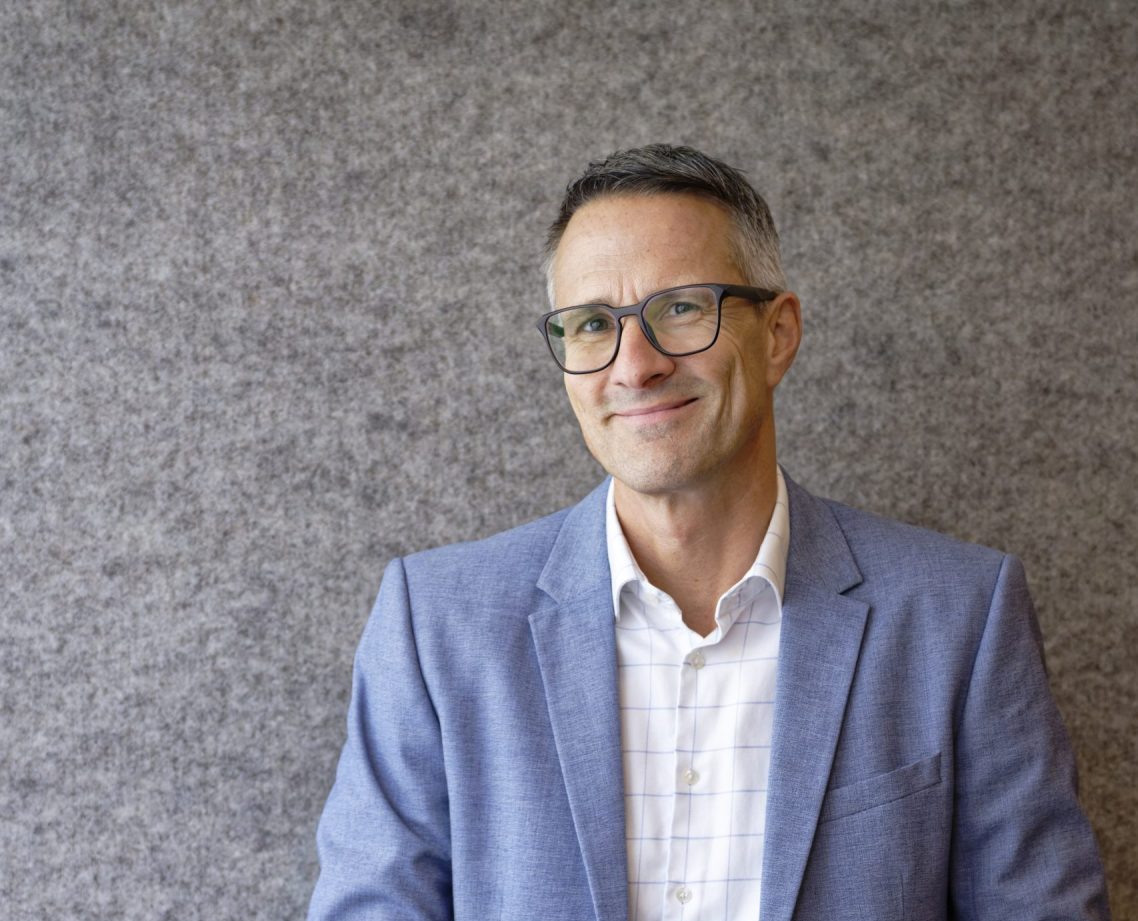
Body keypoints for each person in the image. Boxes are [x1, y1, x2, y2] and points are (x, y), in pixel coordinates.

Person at [307, 144, 1110, 920]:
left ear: (778, 335)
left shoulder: (959, 616)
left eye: (682, 308)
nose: (635, 365)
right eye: (592, 324)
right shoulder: (436, 625)